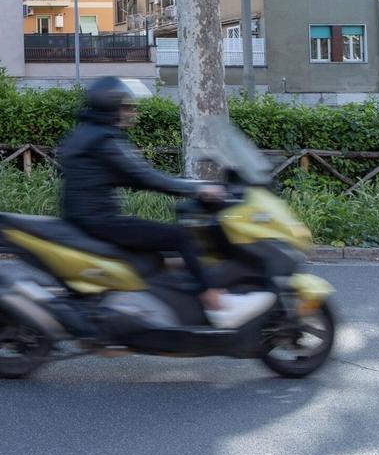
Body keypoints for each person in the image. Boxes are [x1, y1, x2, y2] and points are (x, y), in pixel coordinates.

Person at [57, 77, 275, 329]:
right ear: (112, 107)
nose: (132, 112)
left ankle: (171, 296)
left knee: (165, 242)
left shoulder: (85, 133)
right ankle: (216, 303)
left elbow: (127, 176)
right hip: (101, 222)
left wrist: (191, 187)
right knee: (180, 238)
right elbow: (149, 178)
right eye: (127, 106)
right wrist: (201, 189)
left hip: (83, 218)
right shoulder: (105, 141)